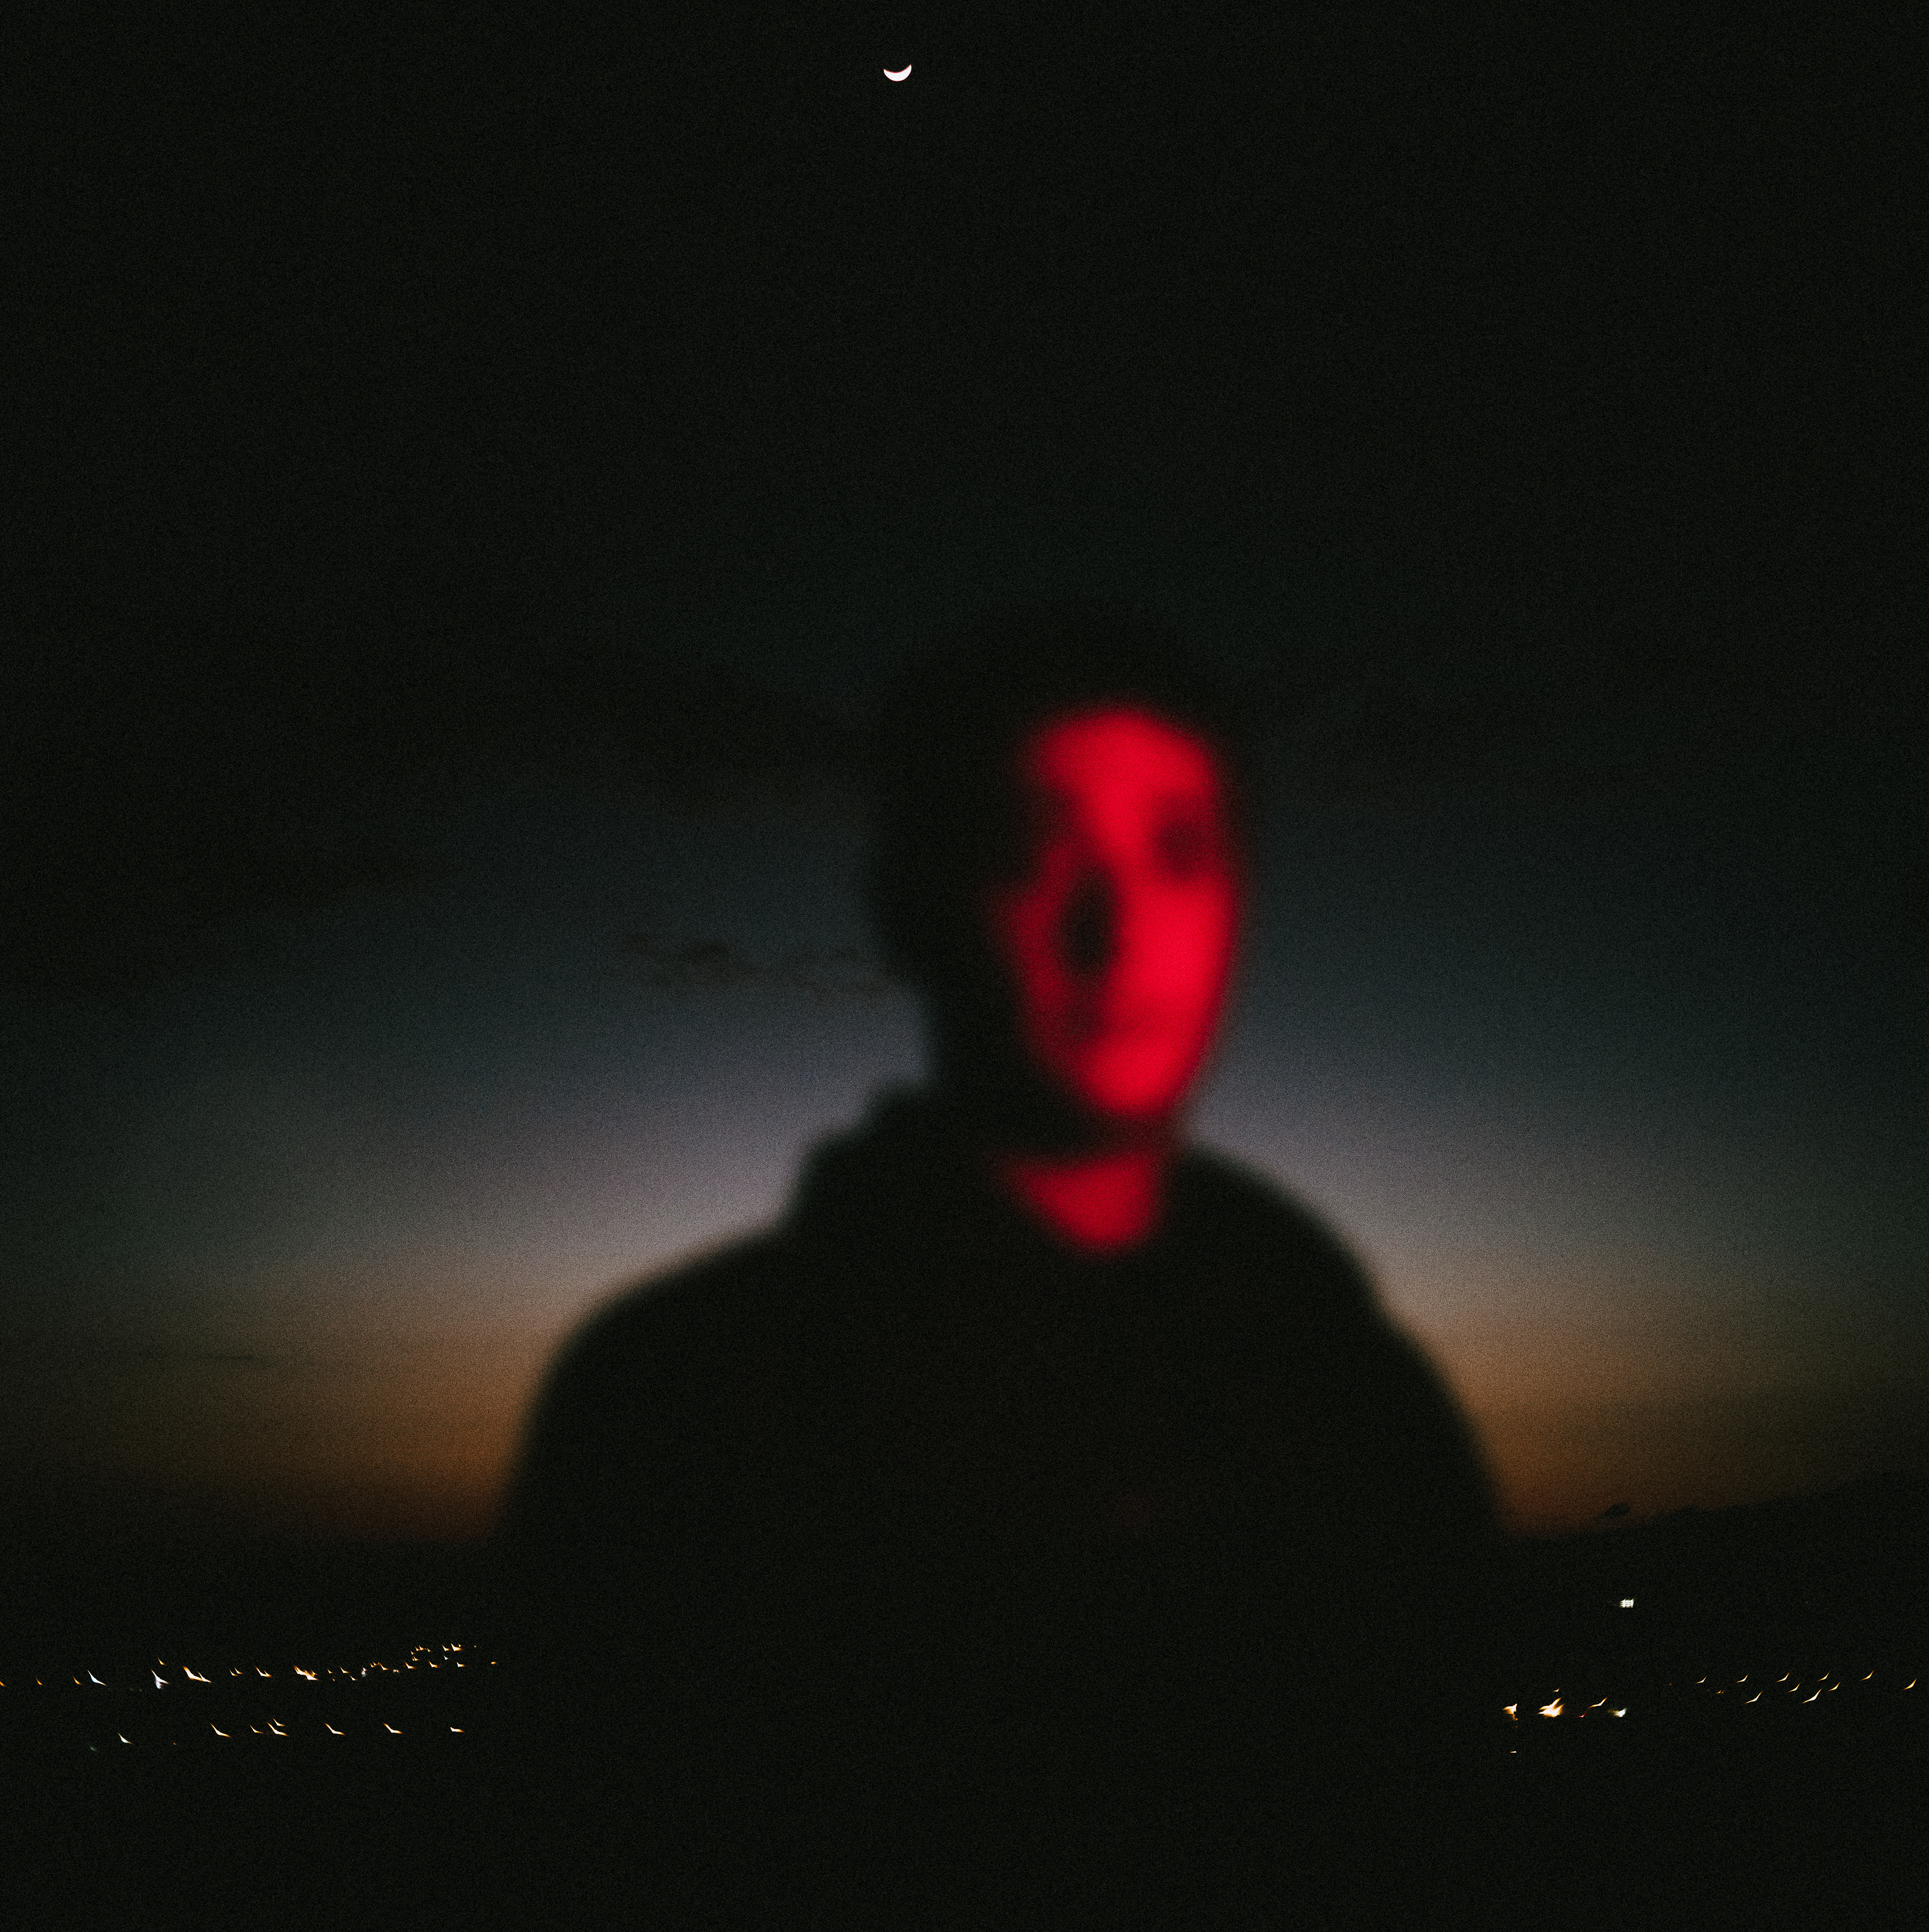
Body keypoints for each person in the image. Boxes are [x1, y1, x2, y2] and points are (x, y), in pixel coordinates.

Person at [478, 603, 1515, 1929]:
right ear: (910, 907)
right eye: (1033, 851)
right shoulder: (681, 1408)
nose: (1115, 930)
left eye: (1180, 855)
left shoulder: (1362, 1407)